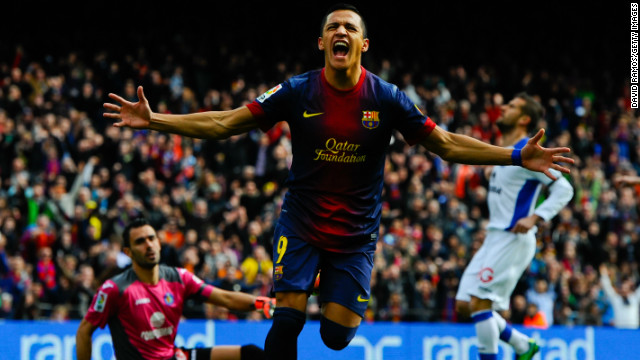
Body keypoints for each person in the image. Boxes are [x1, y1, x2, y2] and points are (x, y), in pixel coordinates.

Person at [103, 5, 573, 359]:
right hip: (301, 225)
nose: (341, 32)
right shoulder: (297, 90)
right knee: (286, 321)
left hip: (354, 237)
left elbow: (446, 145)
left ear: (363, 44)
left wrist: (515, 154)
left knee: (335, 337)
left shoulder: (387, 98)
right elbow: (225, 122)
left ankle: (331, 292)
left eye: (350, 27)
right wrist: (156, 121)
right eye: (333, 27)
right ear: (322, 42)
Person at [454, 93, 574, 360]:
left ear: (524, 119)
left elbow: (564, 190)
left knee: (481, 304)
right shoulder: (507, 155)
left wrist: (536, 217)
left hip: (513, 238)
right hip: (494, 237)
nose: (503, 108)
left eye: (511, 106)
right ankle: (522, 345)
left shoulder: (529, 154)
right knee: (464, 305)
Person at [75, 218, 274, 360]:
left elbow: (226, 299)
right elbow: (84, 331)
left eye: (152, 239)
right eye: (140, 242)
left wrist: (264, 304)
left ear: (159, 243)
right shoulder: (115, 289)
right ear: (128, 252)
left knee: (251, 354)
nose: (149, 245)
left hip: (173, 356)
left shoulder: (179, 278)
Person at [599, 263, 640, 329]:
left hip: (634, 332)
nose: (624, 289)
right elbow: (607, 287)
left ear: (630, 287)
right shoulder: (616, 299)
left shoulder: (635, 298)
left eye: (626, 287)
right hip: (619, 332)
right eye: (622, 287)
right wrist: (604, 275)